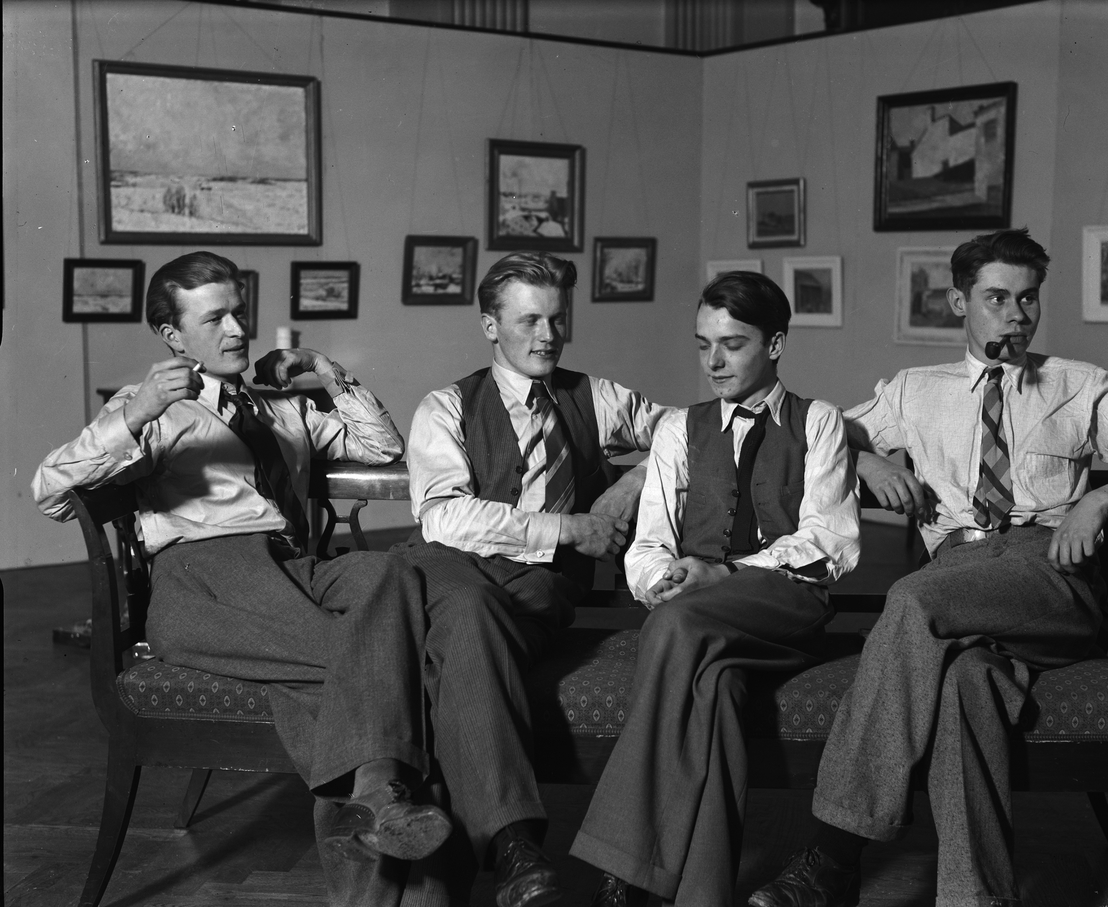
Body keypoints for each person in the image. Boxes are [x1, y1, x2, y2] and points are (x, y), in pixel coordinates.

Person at [749, 228, 1108, 907]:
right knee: (967, 681)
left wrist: (1100, 500)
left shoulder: (1081, 385)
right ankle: (977, 896)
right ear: (960, 302)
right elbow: (812, 436)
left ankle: (834, 856)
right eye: (997, 299)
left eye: (1028, 299)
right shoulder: (914, 390)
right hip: (960, 573)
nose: (1016, 316)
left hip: (1047, 573)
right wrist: (867, 458)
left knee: (911, 602)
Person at [33, 251, 447, 907]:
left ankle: (375, 796)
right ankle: (403, 864)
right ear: (172, 336)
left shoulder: (280, 407)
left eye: (239, 312)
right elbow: (51, 492)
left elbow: (383, 448)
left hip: (292, 568)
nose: (236, 330)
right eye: (214, 318)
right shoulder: (152, 410)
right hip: (205, 583)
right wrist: (134, 414)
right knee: (402, 666)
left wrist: (328, 372)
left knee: (387, 571)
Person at [570, 271, 861, 907]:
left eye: (732, 344)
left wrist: (723, 574)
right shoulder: (679, 428)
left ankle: (622, 870)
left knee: (674, 625)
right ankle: (702, 894)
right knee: (715, 690)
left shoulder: (819, 422)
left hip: (785, 603)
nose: (714, 362)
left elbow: (830, 543)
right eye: (704, 345)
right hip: (699, 617)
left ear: (775, 344)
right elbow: (650, 540)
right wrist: (661, 581)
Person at [397, 251, 672, 907]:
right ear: (490, 326)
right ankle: (515, 850)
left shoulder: (597, 397)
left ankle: (499, 852)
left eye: (556, 319)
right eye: (529, 321)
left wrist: (635, 478)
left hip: (535, 588)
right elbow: (443, 517)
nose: (548, 336)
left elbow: (691, 431)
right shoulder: (445, 406)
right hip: (450, 568)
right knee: (465, 608)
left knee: (459, 635)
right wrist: (569, 528)